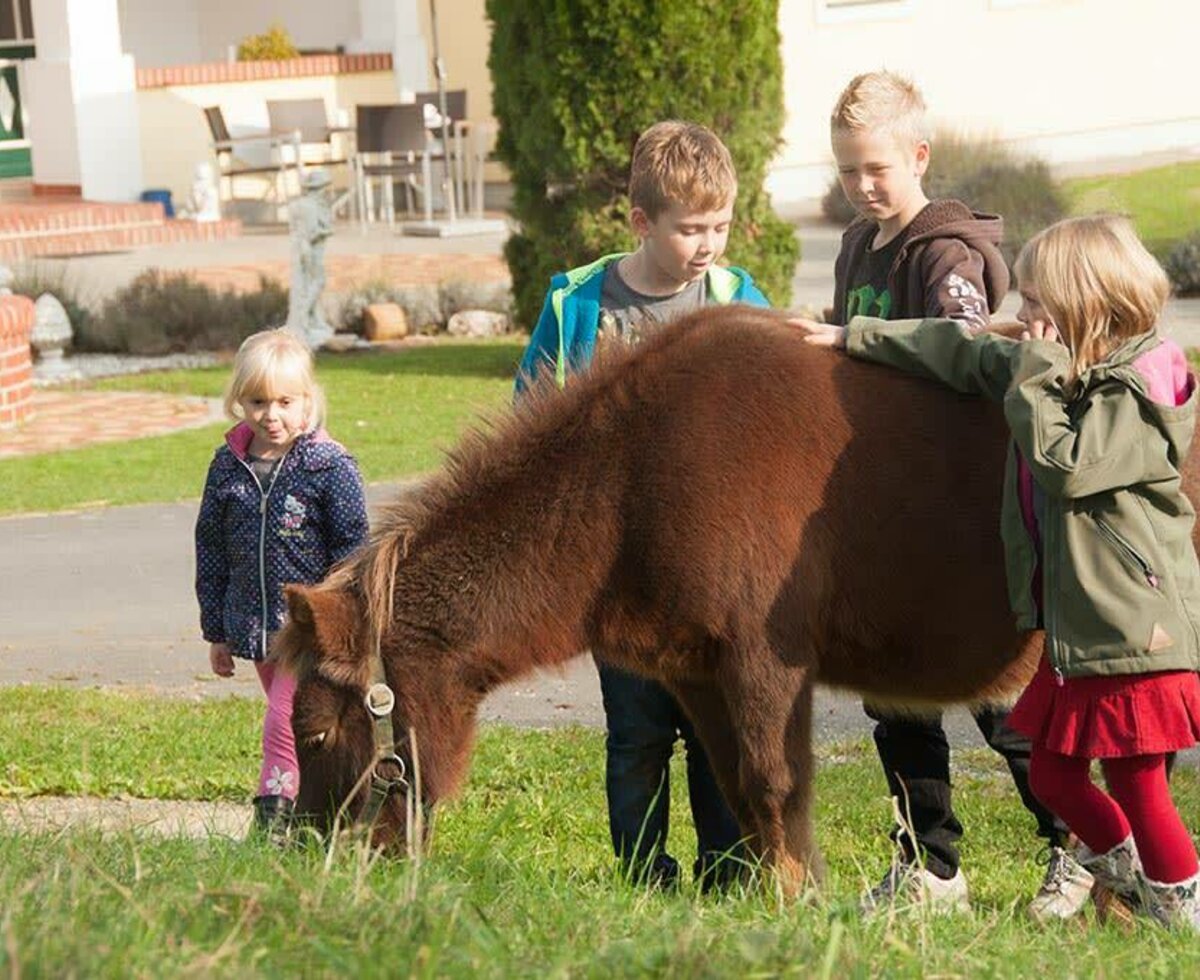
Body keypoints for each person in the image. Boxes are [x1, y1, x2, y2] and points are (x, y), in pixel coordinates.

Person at [794, 214, 1200, 931]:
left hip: (1136, 627)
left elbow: (1069, 468)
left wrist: (1038, 374)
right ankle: (1138, 881)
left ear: (1085, 301)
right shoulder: (1061, 363)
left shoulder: (1138, 390)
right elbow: (960, 349)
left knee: (1140, 785)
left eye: (1036, 302)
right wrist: (851, 336)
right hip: (1079, 627)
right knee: (1053, 773)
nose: (1022, 317)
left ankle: (1183, 911)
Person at [824, 69, 1072, 916]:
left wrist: (846, 336)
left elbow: (967, 349)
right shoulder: (859, 245)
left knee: (993, 695)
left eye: (877, 170)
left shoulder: (945, 251)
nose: (861, 186)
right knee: (891, 688)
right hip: (883, 508)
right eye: (848, 170)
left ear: (918, 155)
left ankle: (1076, 847)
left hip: (957, 515)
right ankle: (932, 866)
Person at [515, 120, 769, 891]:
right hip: (614, 569)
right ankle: (642, 874)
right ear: (640, 222)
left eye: (720, 225)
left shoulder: (736, 299)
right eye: (690, 228)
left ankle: (725, 872)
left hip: (710, 568)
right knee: (637, 733)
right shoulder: (579, 302)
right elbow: (533, 415)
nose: (707, 245)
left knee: (713, 725)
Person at [195, 328, 369, 840]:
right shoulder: (228, 467)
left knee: (284, 719)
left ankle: (273, 816)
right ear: (238, 402)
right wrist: (217, 631)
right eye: (257, 402)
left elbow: (353, 551)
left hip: (309, 630)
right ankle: (324, 809)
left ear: (308, 400)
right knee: (309, 728)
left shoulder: (329, 467)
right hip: (254, 628)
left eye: (285, 402)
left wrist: (342, 621)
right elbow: (212, 549)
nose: (271, 415)